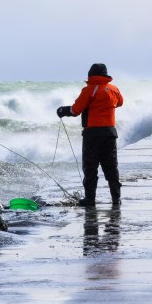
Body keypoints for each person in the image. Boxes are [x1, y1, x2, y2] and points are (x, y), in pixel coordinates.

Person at [56, 63, 123, 206]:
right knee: (111, 166)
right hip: (110, 133)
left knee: (90, 167)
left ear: (91, 75)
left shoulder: (89, 90)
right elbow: (120, 103)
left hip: (92, 134)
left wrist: (63, 110)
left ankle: (90, 199)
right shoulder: (114, 89)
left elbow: (75, 110)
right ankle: (116, 199)